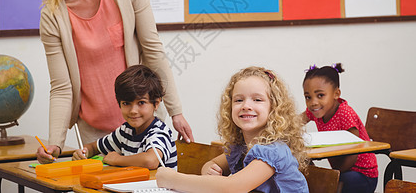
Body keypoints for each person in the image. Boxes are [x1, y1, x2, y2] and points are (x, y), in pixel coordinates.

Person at [37, 0, 193, 164]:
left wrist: (176, 112)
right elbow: (62, 87)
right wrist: (55, 142)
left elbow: (153, 52)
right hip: (97, 132)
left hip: (144, 120)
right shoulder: (52, 15)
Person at [156, 66, 309, 193]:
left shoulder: (273, 151)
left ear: (274, 108)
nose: (246, 105)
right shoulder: (241, 148)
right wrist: (210, 170)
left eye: (257, 99)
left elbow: (232, 188)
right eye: (239, 100)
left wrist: (172, 179)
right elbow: (210, 164)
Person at [72, 65, 177, 169]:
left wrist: (117, 159)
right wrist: (84, 152)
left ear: (156, 103)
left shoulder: (159, 132)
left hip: (158, 186)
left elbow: (150, 160)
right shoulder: (125, 131)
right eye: (126, 103)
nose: (133, 111)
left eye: (141, 102)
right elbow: (95, 147)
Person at [302, 63, 378, 193]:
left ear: (336, 94)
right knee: (303, 171)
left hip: (362, 174)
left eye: (320, 95)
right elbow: (292, 123)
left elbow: (354, 150)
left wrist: (332, 174)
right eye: (308, 97)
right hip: (341, 172)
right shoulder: (315, 111)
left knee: (332, 183)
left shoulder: (345, 113)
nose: (313, 102)